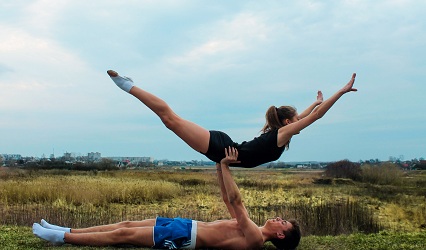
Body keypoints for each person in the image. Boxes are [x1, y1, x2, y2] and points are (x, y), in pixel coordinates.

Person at [33, 147, 301, 249]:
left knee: (122, 237)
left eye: (283, 223)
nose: (278, 219)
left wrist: (228, 166)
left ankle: (62, 239)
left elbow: (237, 202)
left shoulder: (254, 238)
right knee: (126, 224)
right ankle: (67, 229)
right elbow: (227, 199)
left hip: (183, 238)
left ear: (279, 236)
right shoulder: (251, 227)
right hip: (184, 225)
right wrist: (219, 166)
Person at [106, 70, 357, 168]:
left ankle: (129, 86)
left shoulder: (281, 131)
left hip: (225, 150)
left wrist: (315, 102)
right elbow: (315, 117)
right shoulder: (282, 134)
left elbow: (306, 115)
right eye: (295, 120)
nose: (299, 122)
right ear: (288, 123)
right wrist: (340, 93)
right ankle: (128, 85)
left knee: (171, 121)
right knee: (170, 120)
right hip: (222, 147)